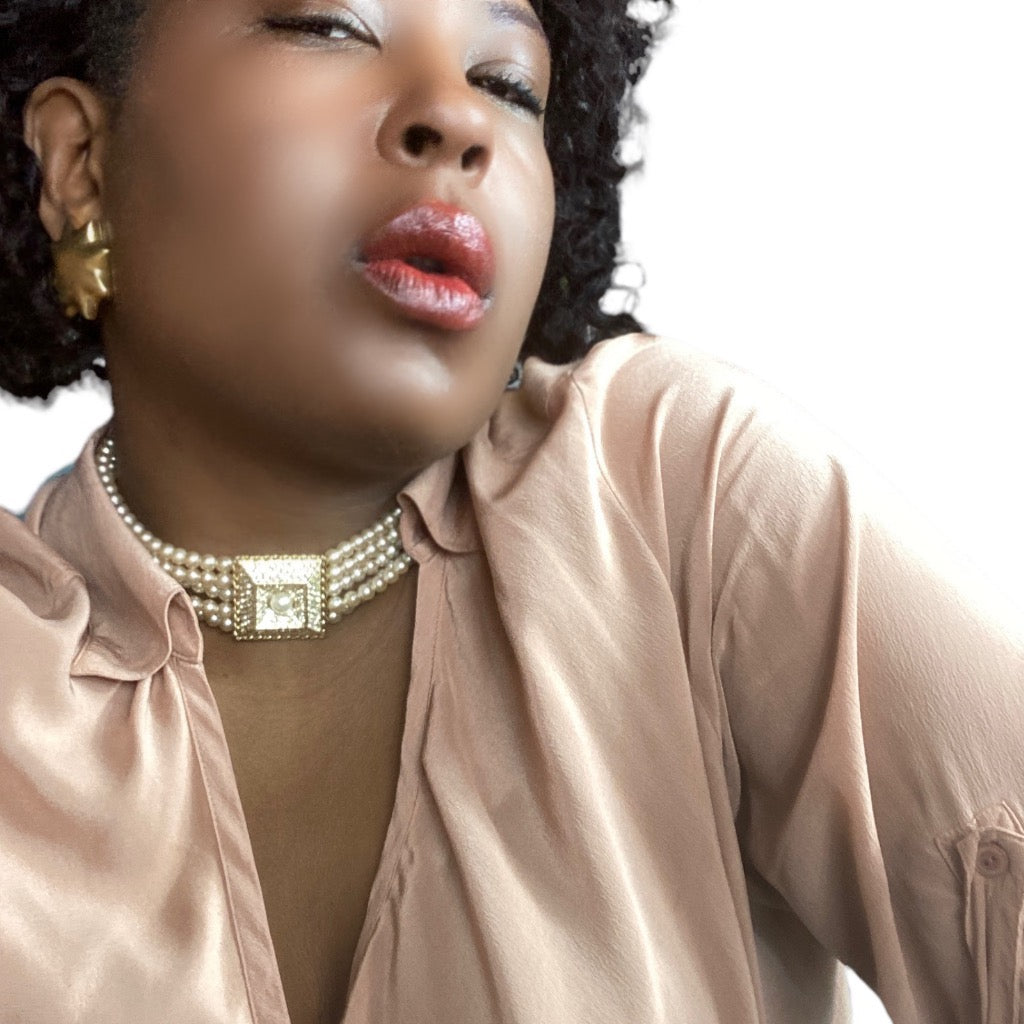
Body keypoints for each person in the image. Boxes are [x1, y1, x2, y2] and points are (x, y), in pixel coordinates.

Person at [0, 1, 1021, 1023]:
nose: (457, 118)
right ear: (80, 162)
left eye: (507, 85)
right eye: (330, 25)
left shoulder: (673, 500)